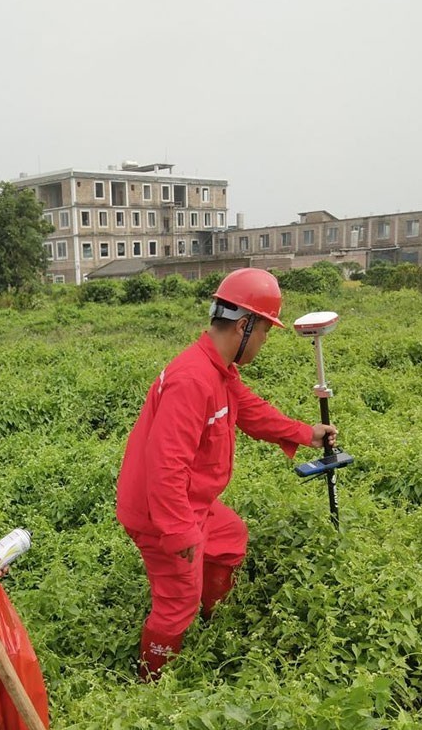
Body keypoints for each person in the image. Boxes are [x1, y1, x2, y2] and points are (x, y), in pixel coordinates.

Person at [116, 268, 337, 681]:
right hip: (160, 510)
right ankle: (151, 683)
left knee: (230, 536)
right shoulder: (192, 379)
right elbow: (166, 465)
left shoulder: (217, 371)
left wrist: (307, 434)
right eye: (265, 332)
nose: (264, 342)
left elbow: (252, 411)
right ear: (243, 325)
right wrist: (180, 532)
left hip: (190, 502)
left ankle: (209, 620)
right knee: (175, 602)